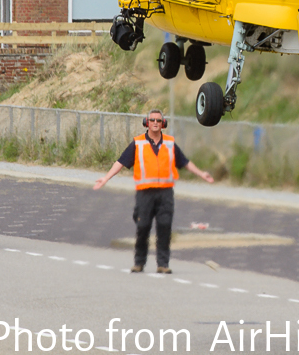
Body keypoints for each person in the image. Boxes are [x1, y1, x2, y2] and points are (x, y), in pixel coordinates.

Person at [92, 109, 215, 274]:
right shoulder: (138, 143)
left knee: (164, 227)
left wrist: (201, 174)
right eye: (152, 120)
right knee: (143, 227)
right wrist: (105, 178)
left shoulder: (170, 143)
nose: (155, 123)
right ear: (146, 122)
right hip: (145, 193)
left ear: (163, 124)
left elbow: (184, 162)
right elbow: (121, 162)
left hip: (165, 193)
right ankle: (139, 262)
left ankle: (163, 264)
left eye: (158, 120)